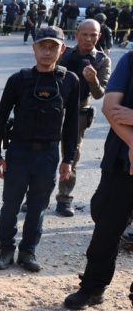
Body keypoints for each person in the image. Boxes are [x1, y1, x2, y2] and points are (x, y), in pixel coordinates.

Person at [0, 26, 80, 273]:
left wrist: (68, 159)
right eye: (43, 47)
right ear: (34, 48)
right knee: (10, 204)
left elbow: (72, 124)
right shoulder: (18, 80)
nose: (47, 52)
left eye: (53, 47)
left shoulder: (70, 81)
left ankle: (28, 251)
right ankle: (6, 249)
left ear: (62, 50)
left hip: (48, 155)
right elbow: (0, 119)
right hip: (19, 152)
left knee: (38, 206)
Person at [63, 48, 133, 311]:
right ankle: (92, 288)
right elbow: (111, 108)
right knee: (106, 227)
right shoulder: (130, 61)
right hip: (121, 161)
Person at [54, 18, 111, 217]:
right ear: (77, 34)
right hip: (55, 109)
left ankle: (64, 199)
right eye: (84, 34)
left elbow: (99, 94)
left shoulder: (102, 60)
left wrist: (93, 80)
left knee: (72, 156)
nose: (88, 39)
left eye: (93, 35)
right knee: (44, 151)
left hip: (79, 112)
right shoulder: (64, 53)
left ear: (99, 36)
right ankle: (35, 195)